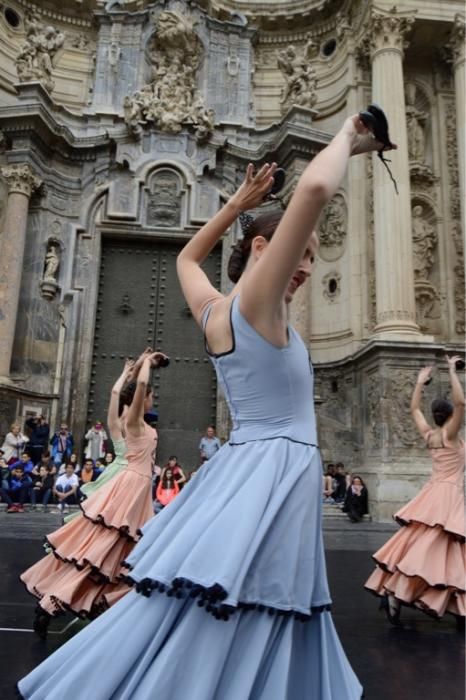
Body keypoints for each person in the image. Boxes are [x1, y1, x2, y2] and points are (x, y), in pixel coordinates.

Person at [18, 114, 386, 698]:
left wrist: (236, 205)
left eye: (313, 258)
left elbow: (187, 261)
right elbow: (315, 190)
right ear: (264, 249)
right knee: (259, 597)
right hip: (273, 469)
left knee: (229, 598)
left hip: (248, 466)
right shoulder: (260, 305)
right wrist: (350, 136)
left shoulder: (215, 310)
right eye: (304, 252)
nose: (309, 268)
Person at [20, 351, 164, 640]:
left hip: (135, 490)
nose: (151, 399)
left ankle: (100, 606)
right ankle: (54, 604)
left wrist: (130, 370)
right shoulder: (134, 423)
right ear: (141, 398)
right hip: (129, 490)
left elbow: (117, 391)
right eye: (150, 395)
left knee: (117, 556)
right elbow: (130, 394)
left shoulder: (133, 425)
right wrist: (144, 366)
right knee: (105, 555)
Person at [365, 355, 465, 627]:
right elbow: (461, 403)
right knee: (444, 549)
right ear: (450, 417)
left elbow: (414, 410)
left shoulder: (430, 435)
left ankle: (402, 591)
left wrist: (420, 382)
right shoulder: (450, 436)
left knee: (421, 543)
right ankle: (446, 600)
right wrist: (452, 372)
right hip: (448, 496)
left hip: (431, 492)